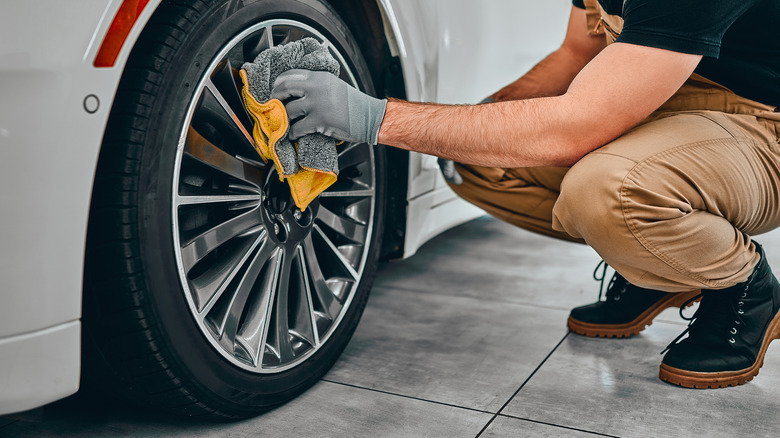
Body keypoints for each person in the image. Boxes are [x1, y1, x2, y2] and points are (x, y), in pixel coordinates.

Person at [270, 0, 780, 388]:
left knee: (610, 192)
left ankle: (744, 287)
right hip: (660, 100)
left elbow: (575, 127)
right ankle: (658, 266)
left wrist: (371, 117)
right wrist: (473, 123)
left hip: (757, 127)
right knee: (471, 160)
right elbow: (575, 54)